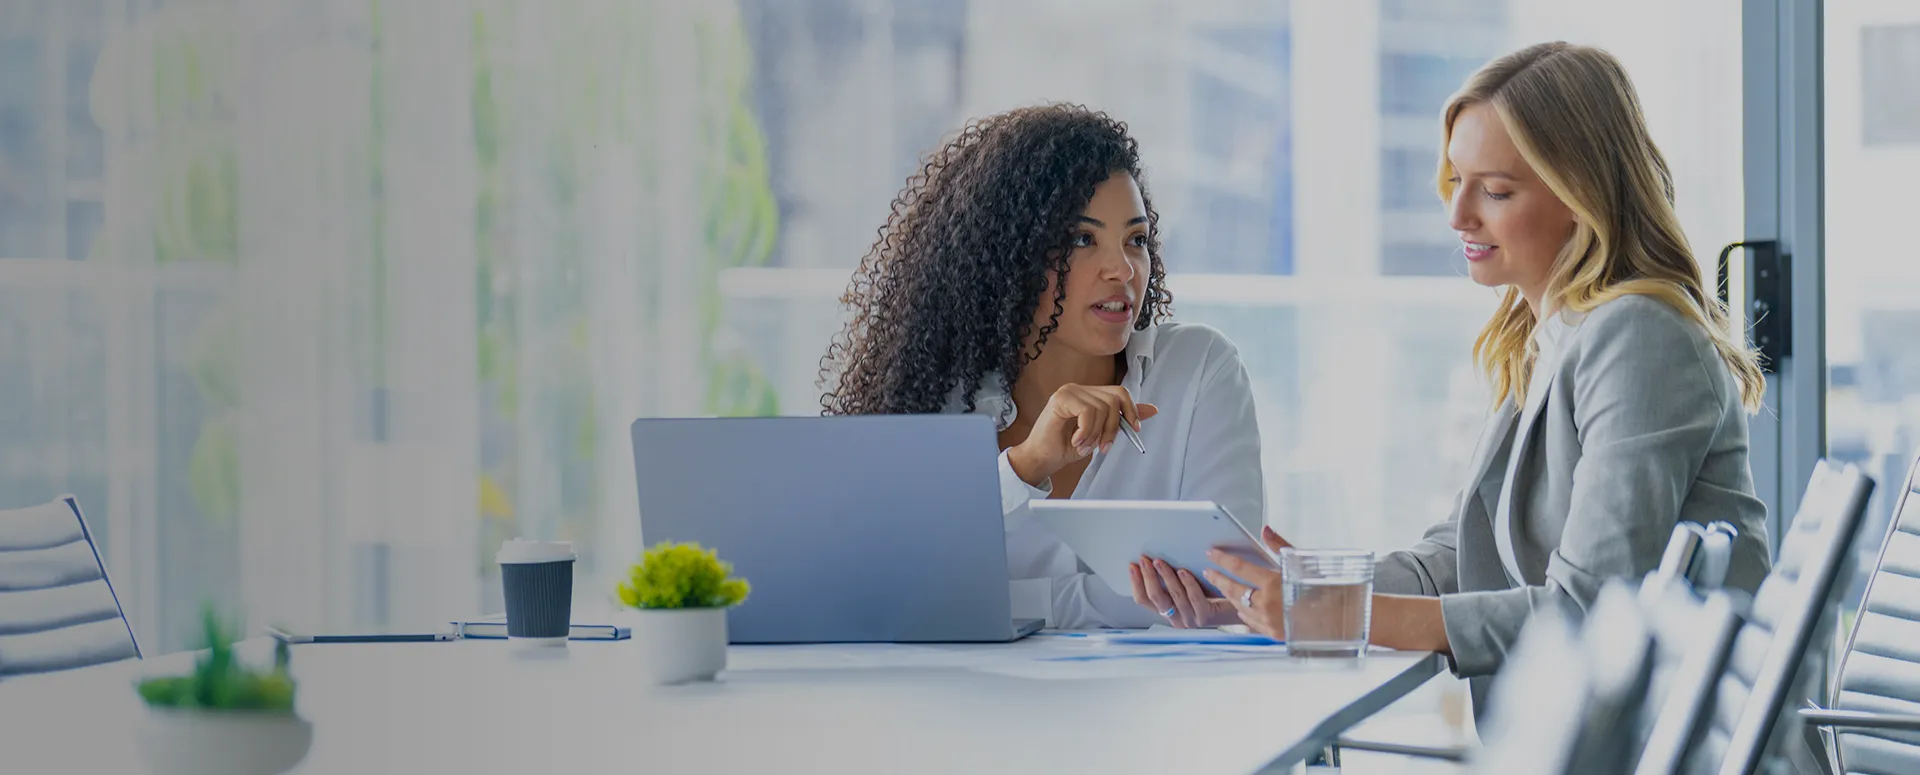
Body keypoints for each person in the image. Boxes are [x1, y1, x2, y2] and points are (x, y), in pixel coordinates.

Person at [1166, 42, 1770, 714]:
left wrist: (1342, 614)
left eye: (1497, 189)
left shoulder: (1638, 336)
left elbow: (1588, 610)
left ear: (1580, 195)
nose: (1458, 215)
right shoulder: (1548, 333)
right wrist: (1296, 588)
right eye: (1456, 181)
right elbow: (1464, 551)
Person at [819, 103, 1264, 629]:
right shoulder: (934, 395)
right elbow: (889, 593)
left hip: (1157, 706)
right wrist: (1025, 466)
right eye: (1082, 239)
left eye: (1136, 240)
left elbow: (1235, 591)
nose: (1122, 268)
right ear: (1011, 255)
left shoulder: (1199, 372)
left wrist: (1004, 605)